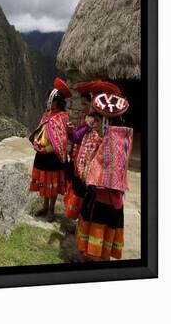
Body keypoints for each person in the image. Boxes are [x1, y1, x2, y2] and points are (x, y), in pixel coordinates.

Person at [75, 90, 133, 261]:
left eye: (99, 120)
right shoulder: (117, 139)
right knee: (99, 240)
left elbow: (101, 171)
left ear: (106, 122)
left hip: (104, 200)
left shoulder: (112, 142)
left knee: (99, 238)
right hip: (103, 198)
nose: (95, 124)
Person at [64, 80, 122, 222]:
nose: (86, 107)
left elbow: (78, 136)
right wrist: (71, 132)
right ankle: (80, 222)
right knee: (83, 195)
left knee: (90, 200)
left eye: (88, 104)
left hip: (99, 173)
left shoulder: (106, 126)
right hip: (88, 167)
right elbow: (77, 137)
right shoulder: (90, 121)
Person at [29, 77, 71, 222]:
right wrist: (38, 144)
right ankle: (45, 206)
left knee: (52, 185)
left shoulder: (62, 117)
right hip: (43, 155)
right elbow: (41, 130)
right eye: (48, 100)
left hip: (54, 156)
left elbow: (61, 139)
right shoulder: (47, 114)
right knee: (44, 182)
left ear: (57, 101)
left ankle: (51, 209)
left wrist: (49, 148)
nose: (48, 102)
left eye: (51, 100)